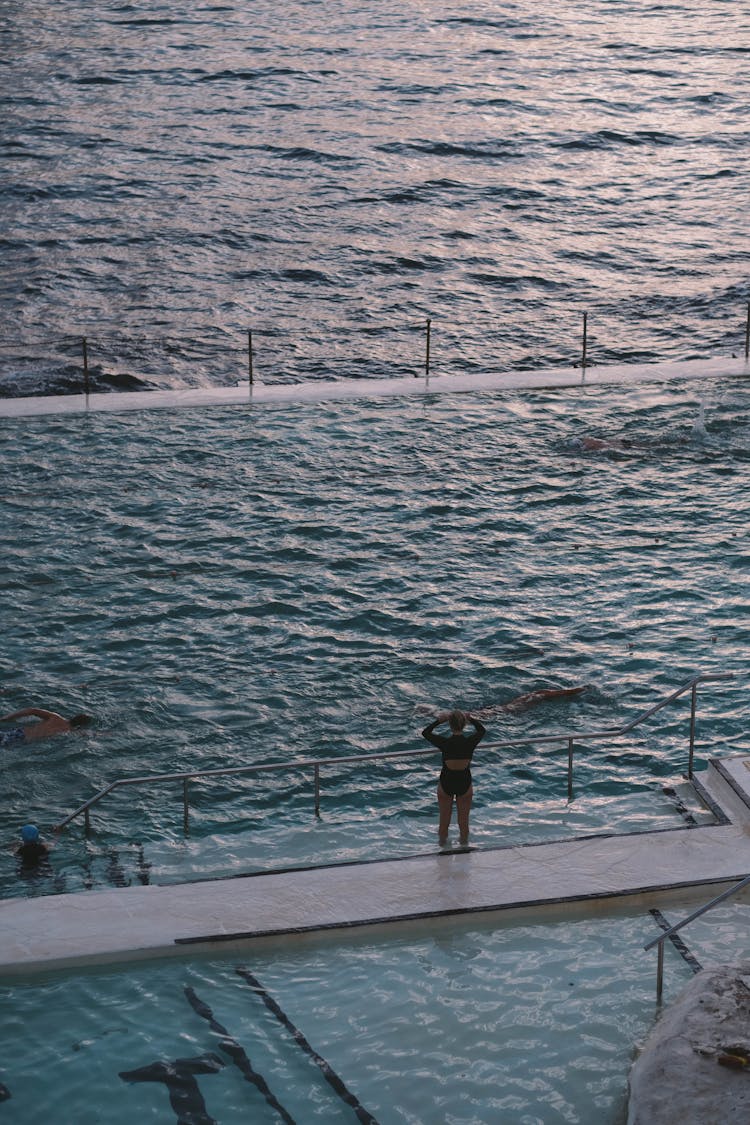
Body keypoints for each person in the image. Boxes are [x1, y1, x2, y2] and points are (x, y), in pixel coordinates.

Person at [422, 710, 486, 850]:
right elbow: (482, 730)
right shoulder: (470, 742)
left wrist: (439, 721)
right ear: (464, 725)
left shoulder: (445, 742)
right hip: (464, 783)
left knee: (444, 822)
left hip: (446, 783)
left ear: (450, 725)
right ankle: (464, 848)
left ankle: (443, 849)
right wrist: (472, 719)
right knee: (463, 823)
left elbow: (425, 733)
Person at [0, 707, 91, 746]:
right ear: (81, 726)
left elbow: (32, 710)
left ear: (73, 717)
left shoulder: (55, 717)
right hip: (20, 741)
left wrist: (6, 718)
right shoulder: (69, 732)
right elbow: (91, 734)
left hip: (18, 732)